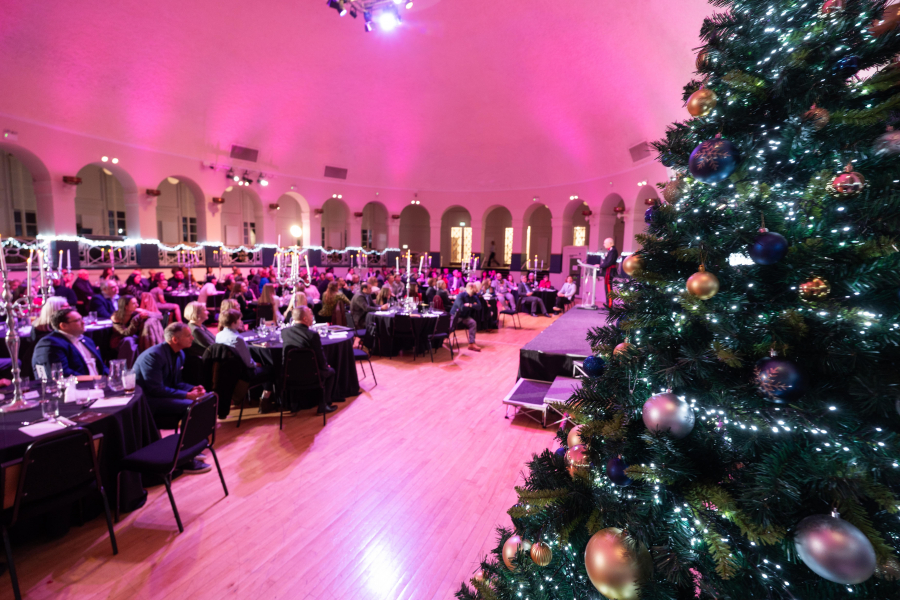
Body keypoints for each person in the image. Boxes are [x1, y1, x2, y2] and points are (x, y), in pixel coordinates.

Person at [133, 322, 209, 473]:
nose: (192, 338)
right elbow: (155, 389)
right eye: (188, 335)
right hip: (148, 401)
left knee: (204, 400)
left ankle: (189, 449)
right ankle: (184, 457)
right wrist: (187, 395)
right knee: (192, 406)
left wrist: (192, 389)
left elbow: (176, 383)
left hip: (162, 395)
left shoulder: (179, 353)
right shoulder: (154, 356)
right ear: (175, 339)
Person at [281, 306, 338, 415]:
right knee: (331, 372)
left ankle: (294, 404)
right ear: (305, 319)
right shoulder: (312, 335)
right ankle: (323, 405)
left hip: (289, 374)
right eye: (311, 315)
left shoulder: (284, 332)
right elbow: (320, 358)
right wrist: (326, 367)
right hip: (312, 375)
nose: (313, 317)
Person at [32, 308, 108, 378]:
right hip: (75, 389)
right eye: (78, 320)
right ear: (63, 325)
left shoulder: (87, 340)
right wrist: (96, 379)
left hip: (99, 385)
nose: (83, 322)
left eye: (82, 319)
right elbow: (62, 374)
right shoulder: (49, 344)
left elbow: (101, 366)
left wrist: (111, 376)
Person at [215, 309, 274, 395]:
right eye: (239, 319)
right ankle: (265, 399)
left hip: (229, 372)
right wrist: (256, 364)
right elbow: (249, 364)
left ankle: (256, 395)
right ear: (233, 323)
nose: (241, 321)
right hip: (243, 374)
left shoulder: (218, 335)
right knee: (272, 369)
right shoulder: (237, 338)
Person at [110, 294, 151, 364]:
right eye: (134, 303)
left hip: (135, 338)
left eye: (137, 303)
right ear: (126, 306)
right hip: (119, 340)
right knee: (129, 341)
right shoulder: (116, 317)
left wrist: (148, 313)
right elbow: (125, 333)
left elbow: (159, 316)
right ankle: (125, 368)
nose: (137, 305)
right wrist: (136, 320)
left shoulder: (135, 313)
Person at [450, 282, 482, 352]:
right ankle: (439, 341)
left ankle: (471, 344)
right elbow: (462, 308)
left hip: (464, 316)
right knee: (449, 328)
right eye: (475, 288)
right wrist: (473, 306)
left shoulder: (474, 297)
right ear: (470, 288)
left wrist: (470, 305)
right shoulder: (460, 296)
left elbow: (479, 307)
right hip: (455, 316)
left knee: (473, 323)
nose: (476, 289)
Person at [598, 237, 620, 308]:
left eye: (605, 243)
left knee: (608, 289)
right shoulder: (610, 251)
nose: (603, 244)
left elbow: (609, 262)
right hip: (607, 272)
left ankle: (609, 305)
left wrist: (600, 265)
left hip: (609, 272)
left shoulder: (613, 251)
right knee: (607, 289)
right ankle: (608, 305)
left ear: (610, 243)